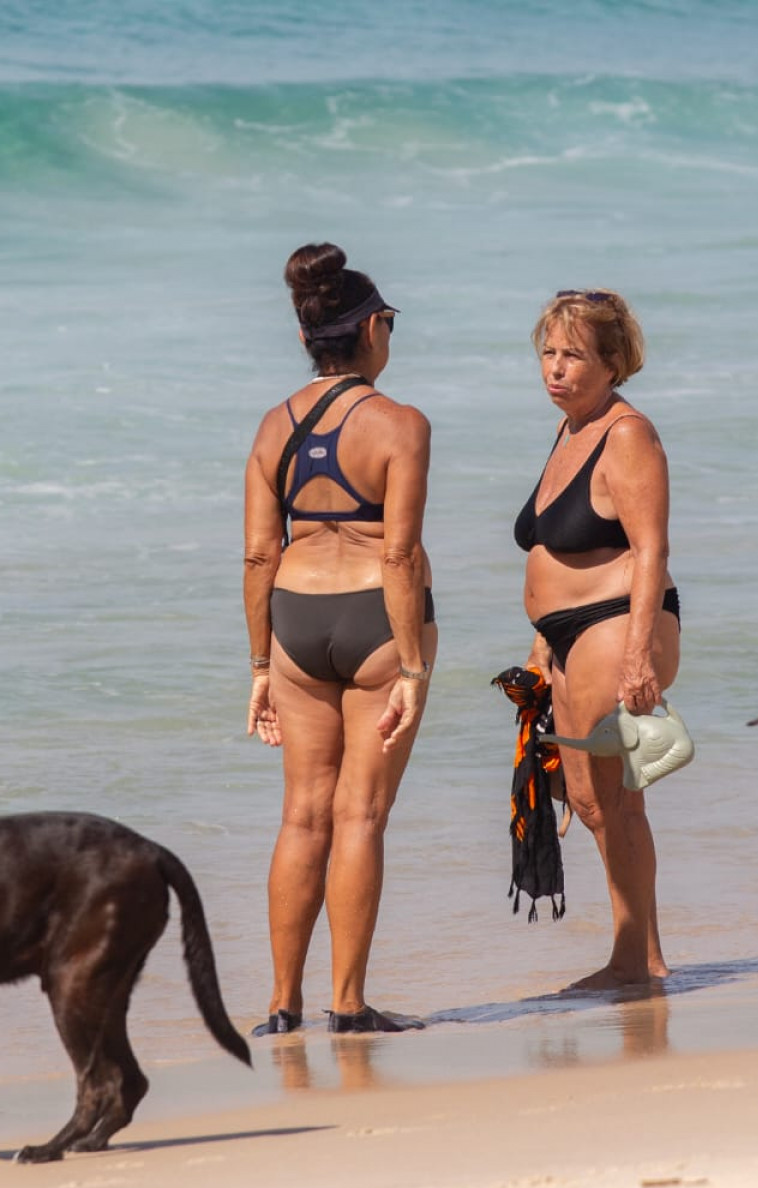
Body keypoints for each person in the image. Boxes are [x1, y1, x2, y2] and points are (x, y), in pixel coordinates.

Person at [242, 243, 435, 1035]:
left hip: (293, 621)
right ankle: (348, 1005)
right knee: (359, 816)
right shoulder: (400, 425)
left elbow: (259, 555)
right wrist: (413, 667)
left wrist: (260, 665)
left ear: (305, 337)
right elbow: (398, 554)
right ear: (372, 330)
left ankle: (281, 1005)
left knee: (301, 817)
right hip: (376, 622)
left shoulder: (272, 426)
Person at [515, 288, 679, 991]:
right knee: (585, 802)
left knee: (616, 802)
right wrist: (540, 645)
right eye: (548, 353)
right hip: (568, 639)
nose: (555, 368)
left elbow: (651, 551)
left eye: (573, 355)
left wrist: (638, 656)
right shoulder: (571, 429)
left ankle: (635, 960)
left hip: (617, 626)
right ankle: (639, 954)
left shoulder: (627, 434)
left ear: (613, 362)